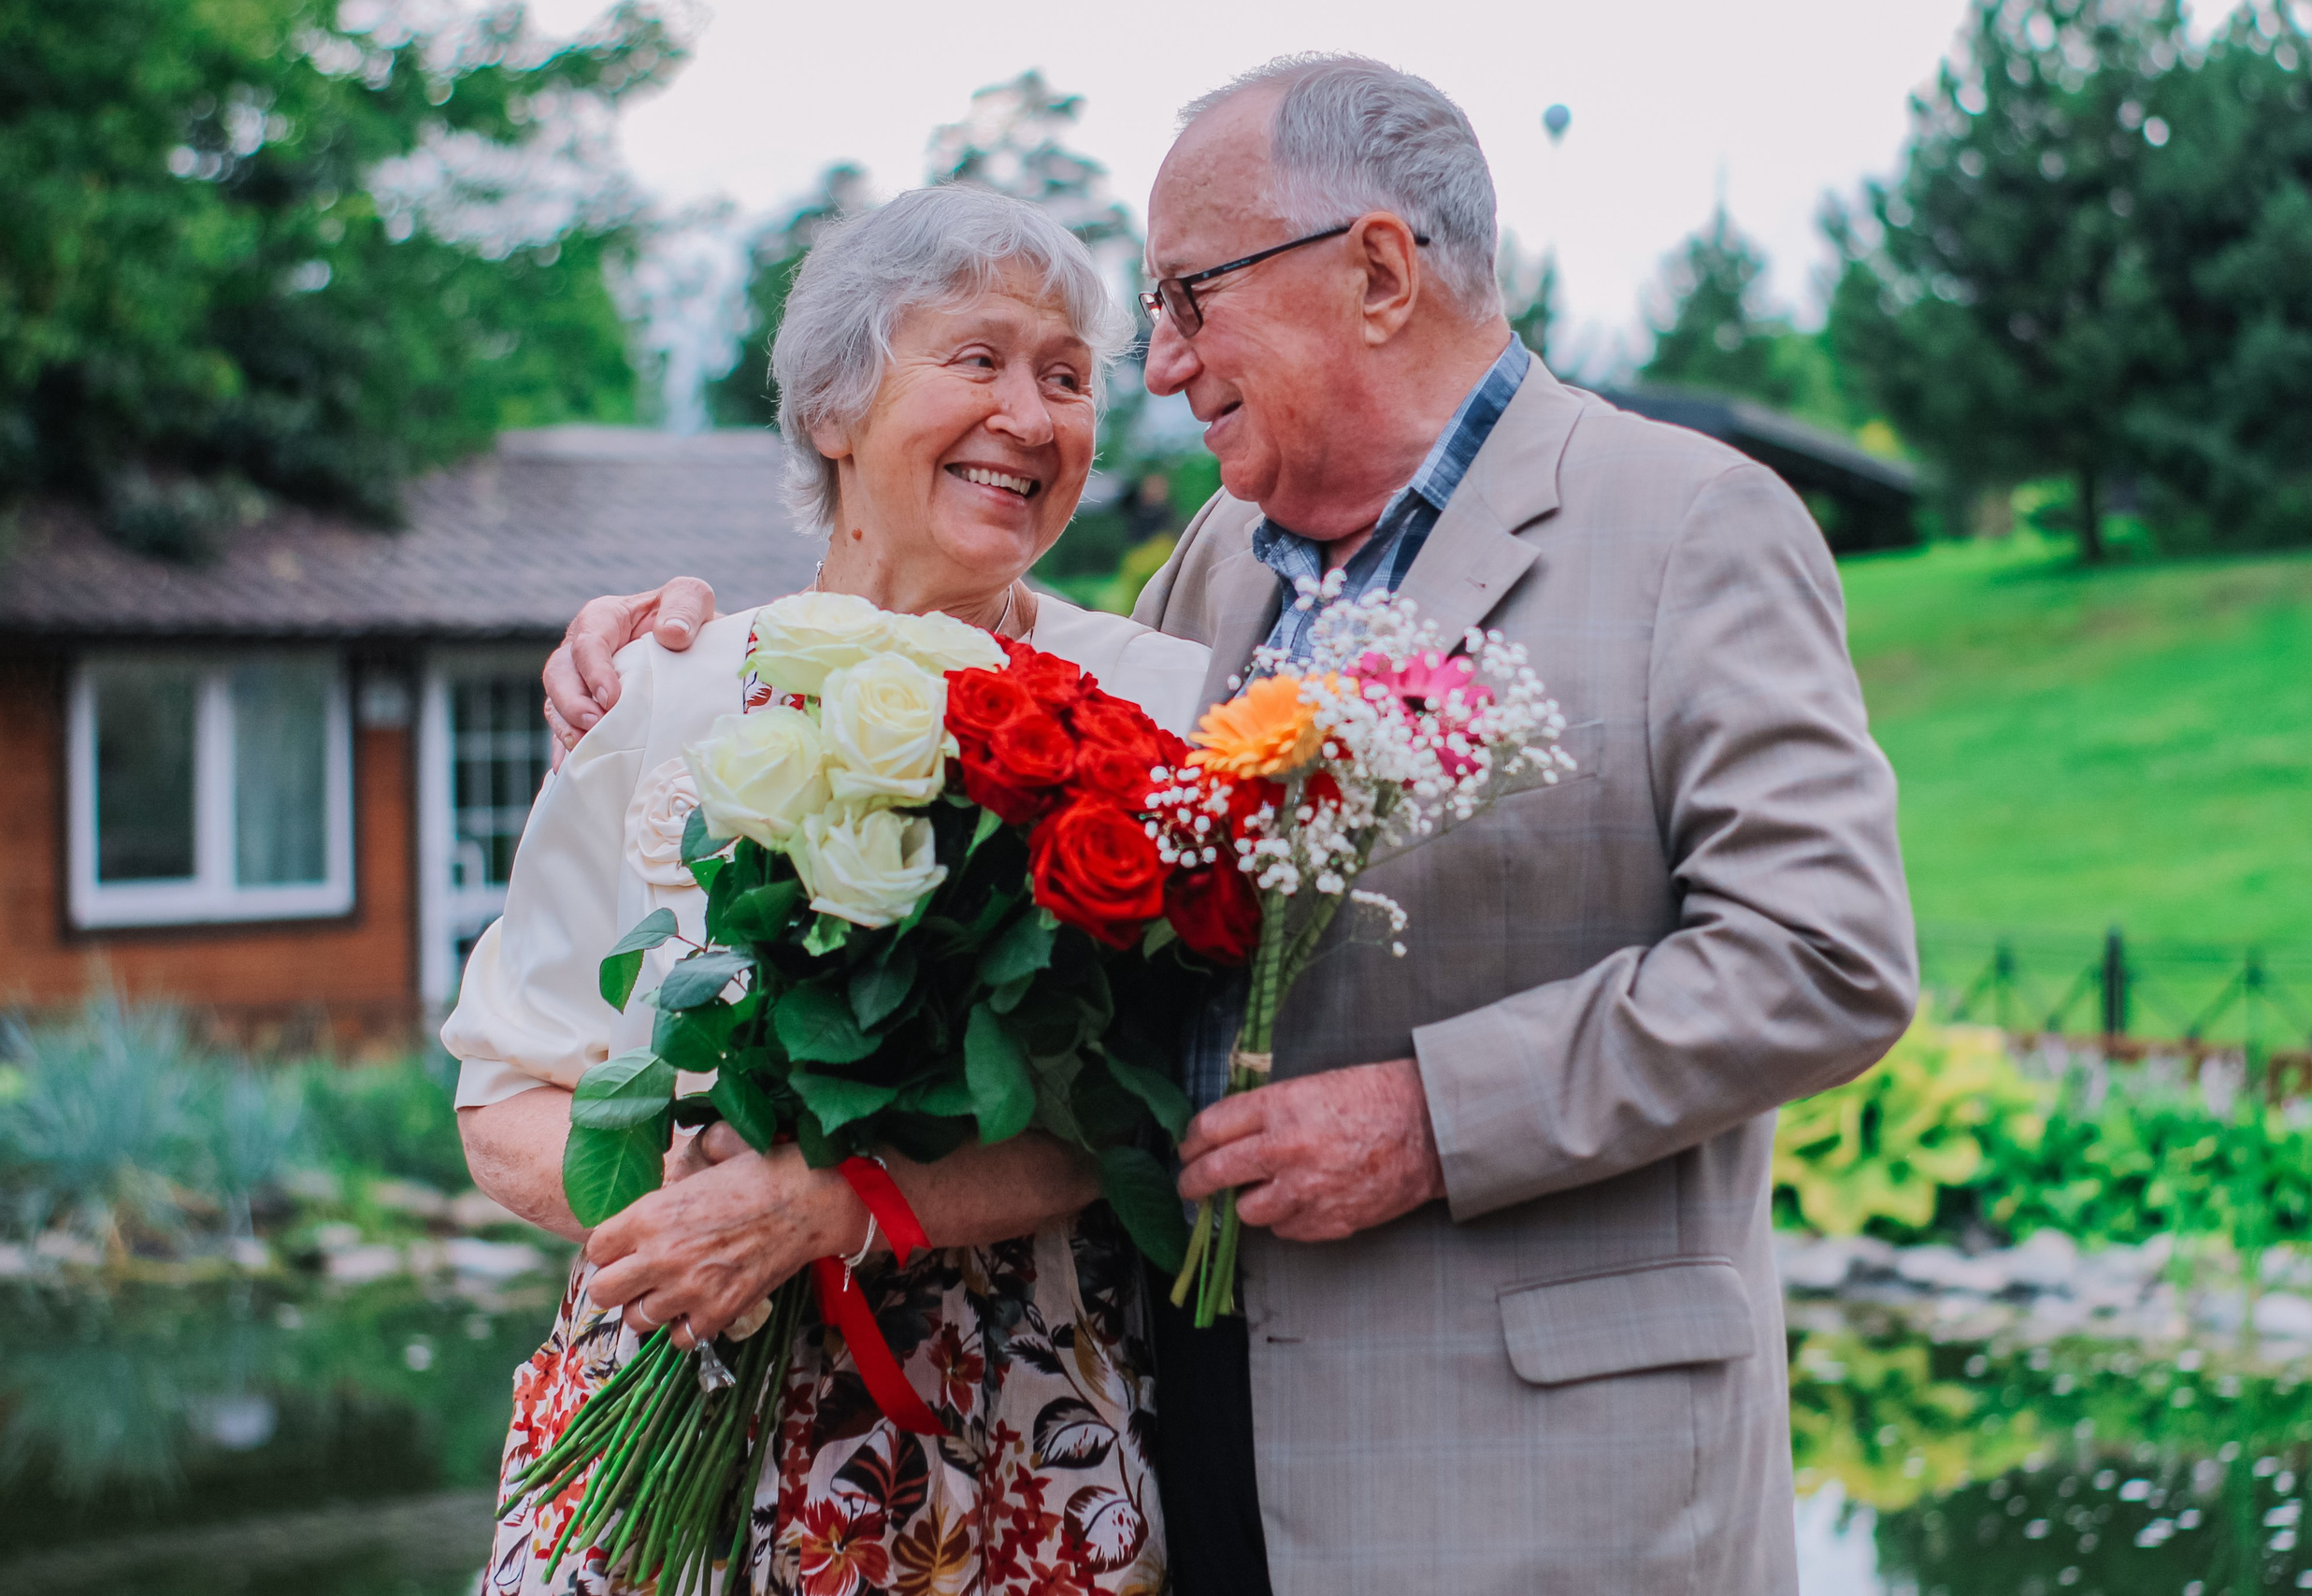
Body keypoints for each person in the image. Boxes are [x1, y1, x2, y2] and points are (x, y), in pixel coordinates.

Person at [543, 55, 1920, 1596]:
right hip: (1175, 1455)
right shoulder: (1212, 572)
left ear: (1379, 274)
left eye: (1190, 300)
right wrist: (680, 660)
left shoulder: (1689, 523)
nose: (1166, 366)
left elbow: (1826, 956)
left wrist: (1427, 1119)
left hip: (1546, 1486)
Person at [448, 183, 1209, 1596]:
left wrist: (835, 1201)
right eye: (976, 360)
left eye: (1066, 378)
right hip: (670, 1423)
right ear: (833, 411)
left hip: (1011, 1442)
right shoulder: (662, 689)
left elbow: (1153, 1113)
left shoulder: (1154, 704)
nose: (1031, 420)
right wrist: (686, 1195)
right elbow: (503, 1096)